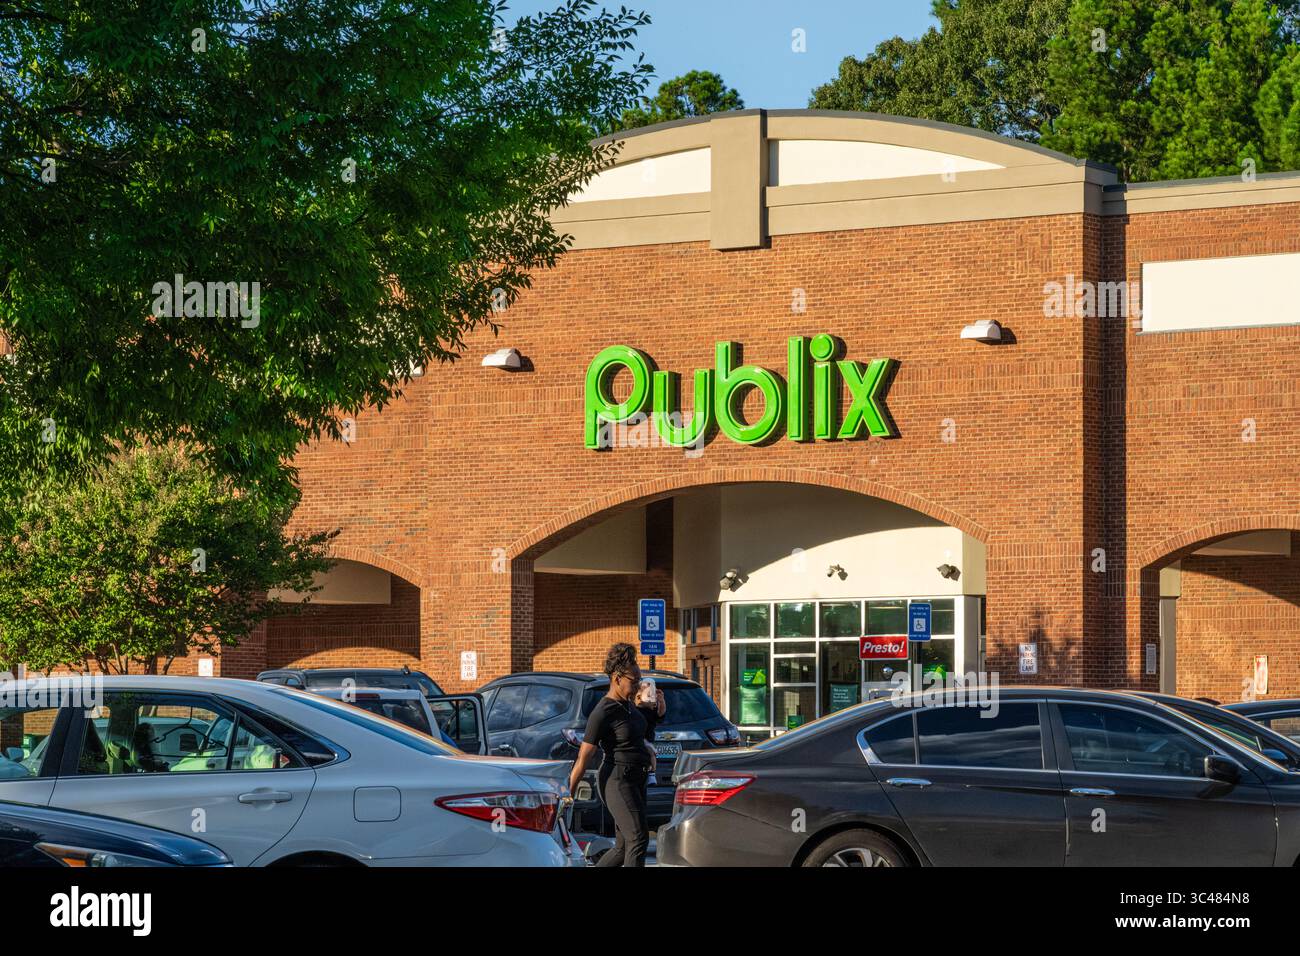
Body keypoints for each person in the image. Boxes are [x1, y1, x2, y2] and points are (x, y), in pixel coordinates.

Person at [567, 642, 666, 867]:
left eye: (640, 680)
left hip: (637, 779)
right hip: (617, 780)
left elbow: (641, 735)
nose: (638, 686)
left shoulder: (630, 706)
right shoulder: (602, 712)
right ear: (617, 678)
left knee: (623, 848)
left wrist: (657, 716)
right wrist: (567, 794)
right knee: (639, 839)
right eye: (634, 681)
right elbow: (583, 759)